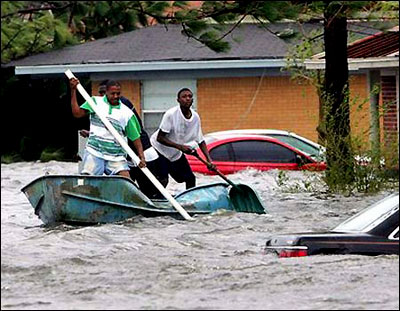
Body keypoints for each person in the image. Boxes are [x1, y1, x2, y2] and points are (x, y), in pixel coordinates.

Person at [70, 78, 146, 178]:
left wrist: (141, 156)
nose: (115, 96)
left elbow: (135, 137)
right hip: (95, 152)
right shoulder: (95, 102)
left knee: (126, 180)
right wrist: (73, 90)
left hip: (116, 156)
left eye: (118, 94)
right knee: (88, 182)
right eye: (112, 93)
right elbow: (77, 113)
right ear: (106, 92)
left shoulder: (126, 113)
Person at [150, 88, 216, 190]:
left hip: (175, 153)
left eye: (190, 96)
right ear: (178, 100)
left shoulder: (195, 117)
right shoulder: (171, 114)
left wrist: (209, 161)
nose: (187, 99)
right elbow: (160, 138)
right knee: (163, 179)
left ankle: (190, 202)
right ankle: (156, 201)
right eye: (184, 97)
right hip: (159, 150)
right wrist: (181, 147)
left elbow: (201, 140)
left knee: (190, 178)